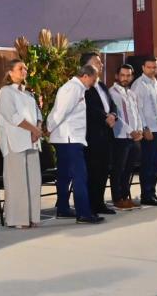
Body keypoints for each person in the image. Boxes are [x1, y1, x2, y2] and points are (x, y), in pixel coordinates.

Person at [47, 65, 104, 224]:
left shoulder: (75, 88)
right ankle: (84, 213)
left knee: (64, 176)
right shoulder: (73, 89)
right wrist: (48, 128)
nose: (94, 82)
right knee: (80, 176)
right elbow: (60, 112)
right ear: (85, 76)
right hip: (69, 139)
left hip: (68, 138)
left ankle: (63, 209)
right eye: (94, 78)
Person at [0, 59, 44, 228]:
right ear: (10, 71)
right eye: (20, 68)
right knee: (17, 182)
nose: (24, 71)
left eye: (25, 68)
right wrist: (33, 130)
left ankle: (32, 217)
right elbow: (12, 116)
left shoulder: (28, 93)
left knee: (33, 180)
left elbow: (38, 113)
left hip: (32, 141)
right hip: (14, 141)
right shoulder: (5, 92)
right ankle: (17, 220)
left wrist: (37, 128)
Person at [80, 53, 118, 215]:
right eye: (97, 62)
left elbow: (112, 105)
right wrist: (105, 117)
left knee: (103, 170)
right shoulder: (82, 86)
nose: (101, 64)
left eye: (101, 62)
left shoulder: (102, 86)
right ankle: (90, 205)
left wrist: (113, 115)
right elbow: (88, 108)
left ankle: (99, 203)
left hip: (107, 134)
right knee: (93, 170)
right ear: (86, 66)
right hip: (92, 135)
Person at [131, 56, 157, 206]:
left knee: (155, 164)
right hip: (150, 131)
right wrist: (145, 128)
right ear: (143, 68)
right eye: (149, 67)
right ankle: (146, 195)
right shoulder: (138, 85)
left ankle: (152, 194)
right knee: (147, 164)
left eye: (155, 67)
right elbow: (137, 109)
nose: (152, 69)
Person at [109, 64, 144, 210]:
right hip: (120, 136)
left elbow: (137, 113)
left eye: (128, 75)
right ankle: (117, 199)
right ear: (117, 76)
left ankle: (125, 196)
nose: (125, 78)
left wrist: (140, 130)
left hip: (134, 138)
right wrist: (131, 130)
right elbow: (116, 116)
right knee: (118, 169)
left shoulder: (131, 94)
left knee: (129, 169)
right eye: (122, 75)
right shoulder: (112, 92)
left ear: (132, 76)